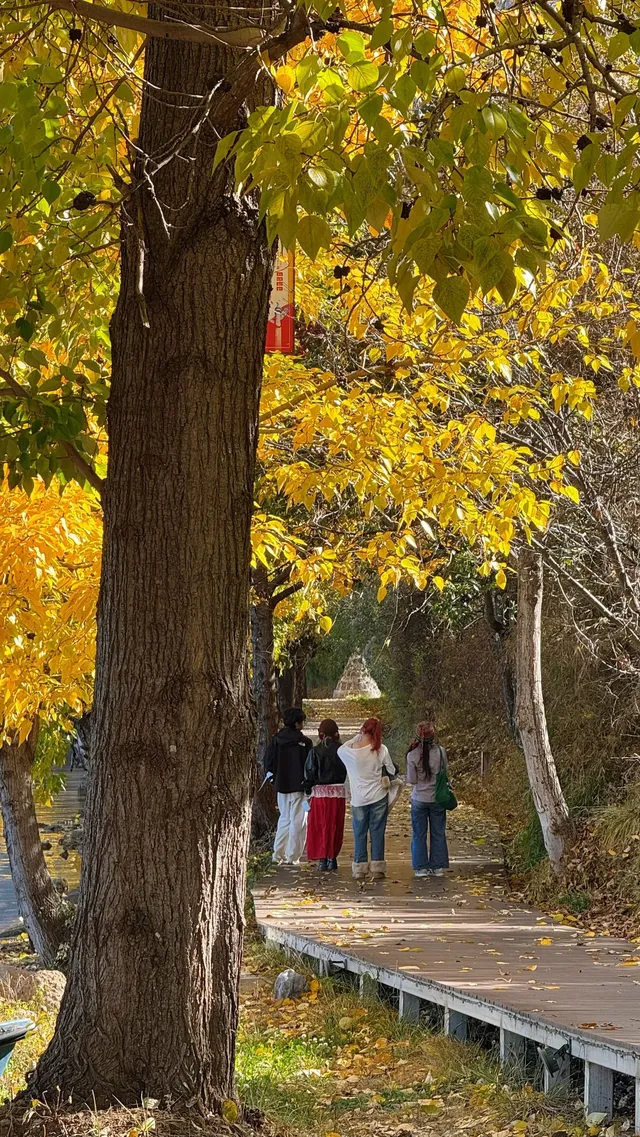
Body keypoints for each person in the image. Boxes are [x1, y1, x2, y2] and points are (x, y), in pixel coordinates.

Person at [338, 717, 396, 881]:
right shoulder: (381, 749)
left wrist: (356, 737)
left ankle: (359, 868)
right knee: (377, 831)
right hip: (378, 796)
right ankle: (377, 868)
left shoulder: (349, 752)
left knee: (359, 832)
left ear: (363, 730)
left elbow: (340, 749)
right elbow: (391, 769)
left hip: (358, 799)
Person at [266, 707, 312, 866]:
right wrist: (309, 785)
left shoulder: (276, 739)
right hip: (299, 787)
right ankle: (292, 856)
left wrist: (273, 779)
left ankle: (277, 854)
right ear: (298, 723)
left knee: (284, 819)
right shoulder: (305, 743)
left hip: (281, 786)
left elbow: (268, 761)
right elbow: (309, 766)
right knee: (298, 821)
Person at [406, 715, 449, 878]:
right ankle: (437, 867)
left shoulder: (412, 756)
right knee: (438, 832)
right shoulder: (440, 751)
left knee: (419, 833)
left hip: (419, 799)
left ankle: (421, 867)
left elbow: (411, 780)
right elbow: (446, 771)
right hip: (438, 798)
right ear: (433, 737)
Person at [303, 718, 347, 872]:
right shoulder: (342, 750)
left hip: (320, 793)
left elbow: (309, 773)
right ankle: (332, 858)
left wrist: (307, 789)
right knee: (335, 824)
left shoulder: (315, 751)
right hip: (338, 792)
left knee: (320, 825)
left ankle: (322, 859)